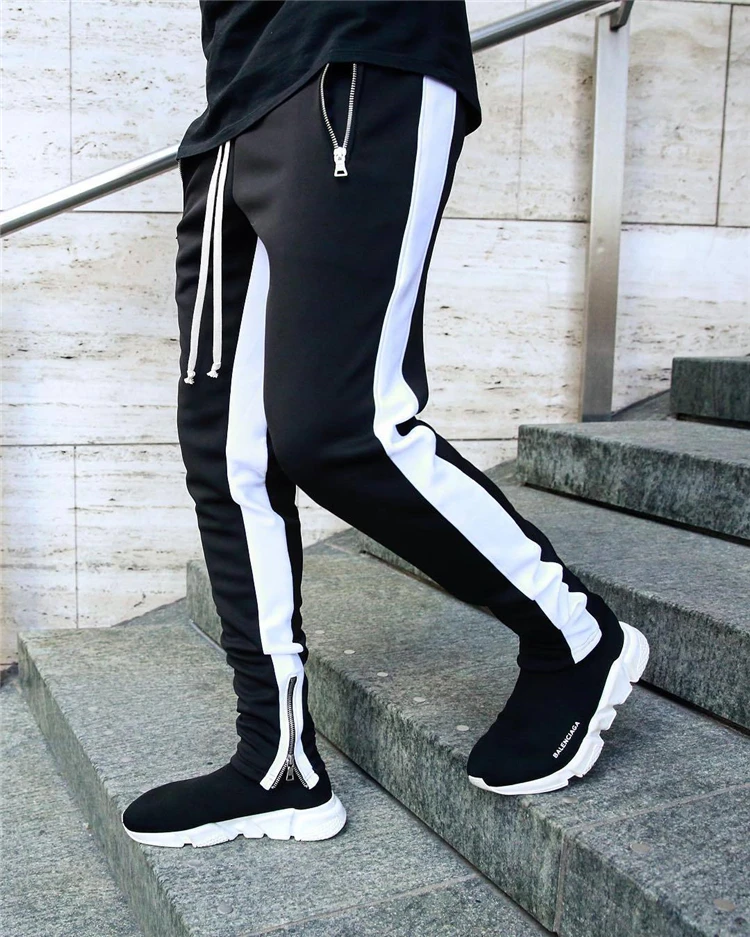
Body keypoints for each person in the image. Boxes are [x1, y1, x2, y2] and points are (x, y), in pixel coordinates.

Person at [121, 0, 649, 849]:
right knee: (227, 456)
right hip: (232, 105)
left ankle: (572, 633)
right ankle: (277, 761)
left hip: (356, 52)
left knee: (340, 427)